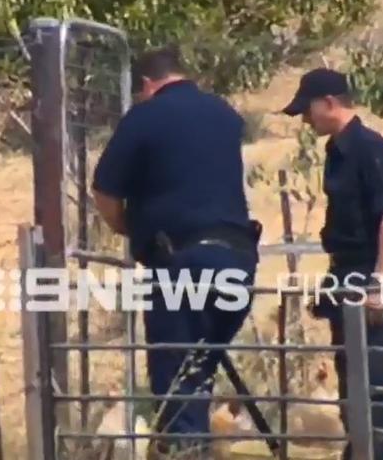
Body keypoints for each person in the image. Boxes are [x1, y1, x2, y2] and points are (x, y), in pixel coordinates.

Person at [91, 46, 261, 459]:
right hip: (238, 260)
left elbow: (105, 192)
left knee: (178, 386)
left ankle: (187, 453)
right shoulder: (223, 113)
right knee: (199, 371)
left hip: (183, 264)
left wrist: (132, 230)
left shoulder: (145, 116)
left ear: (147, 84)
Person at [280, 67, 383, 459]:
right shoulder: (335, 151)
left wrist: (380, 281)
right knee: (351, 380)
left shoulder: (369, 147)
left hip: (369, 269)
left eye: (309, 109)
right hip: (346, 270)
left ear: (330, 103)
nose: (305, 118)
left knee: (372, 380)